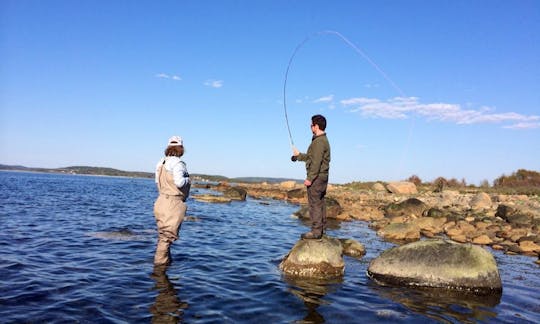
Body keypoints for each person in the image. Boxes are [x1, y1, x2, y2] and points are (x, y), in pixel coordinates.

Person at [153, 136, 191, 266]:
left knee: (163, 236)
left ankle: (166, 264)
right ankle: (159, 271)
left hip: (160, 201)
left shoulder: (160, 163)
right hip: (173, 203)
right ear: (181, 149)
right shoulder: (178, 164)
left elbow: (157, 182)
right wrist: (189, 180)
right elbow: (180, 183)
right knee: (166, 238)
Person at [292, 114, 331, 239]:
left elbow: (316, 162)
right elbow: (310, 157)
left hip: (317, 178)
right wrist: (298, 156)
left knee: (314, 204)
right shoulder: (320, 140)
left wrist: (310, 178)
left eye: (311, 125)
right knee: (320, 203)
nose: (310, 127)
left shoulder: (319, 142)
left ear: (316, 126)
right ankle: (321, 229)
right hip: (321, 177)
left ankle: (316, 232)